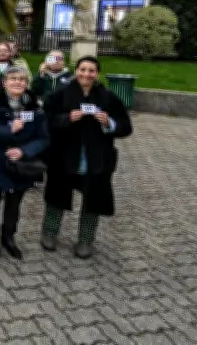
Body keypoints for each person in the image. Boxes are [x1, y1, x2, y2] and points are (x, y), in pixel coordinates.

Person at [41, 56, 133, 259]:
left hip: (95, 159)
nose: (86, 74)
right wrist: (66, 119)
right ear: (76, 71)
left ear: (97, 74)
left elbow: (126, 126)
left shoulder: (108, 97)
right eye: (82, 69)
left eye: (91, 70)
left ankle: (85, 240)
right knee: (57, 195)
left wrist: (108, 122)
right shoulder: (60, 95)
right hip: (64, 157)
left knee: (93, 200)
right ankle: (49, 233)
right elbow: (45, 120)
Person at [0, 66, 49, 260]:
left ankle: (8, 237)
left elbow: (43, 137)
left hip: (21, 165)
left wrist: (23, 151)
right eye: (13, 79)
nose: (17, 82)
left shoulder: (35, 107)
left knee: (14, 203)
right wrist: (9, 129)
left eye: (21, 79)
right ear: (4, 83)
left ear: (26, 84)